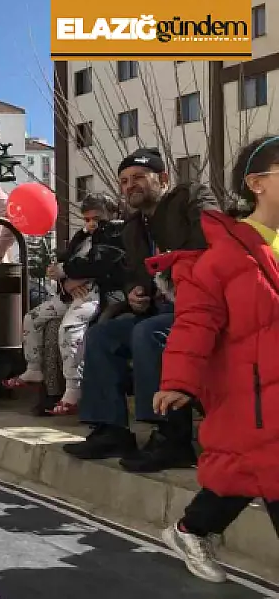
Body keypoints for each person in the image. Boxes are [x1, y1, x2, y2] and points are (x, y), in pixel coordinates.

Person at [151, 136, 279, 583]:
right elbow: (194, 322)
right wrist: (177, 381)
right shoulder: (224, 254)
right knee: (263, 472)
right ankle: (191, 530)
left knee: (243, 478)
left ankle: (190, 530)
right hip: (253, 398)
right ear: (257, 183)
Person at [63, 148, 218, 474]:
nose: (129, 186)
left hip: (202, 309)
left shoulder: (189, 198)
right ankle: (111, 430)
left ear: (162, 179)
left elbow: (210, 243)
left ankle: (172, 439)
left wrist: (167, 261)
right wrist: (137, 292)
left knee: (146, 333)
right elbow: (136, 273)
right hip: (162, 310)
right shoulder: (133, 227)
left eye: (137, 178)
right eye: (123, 181)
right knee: (102, 334)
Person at [3, 193, 127, 415]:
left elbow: (100, 264)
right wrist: (63, 276)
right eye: (87, 219)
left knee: (67, 330)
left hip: (97, 296)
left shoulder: (113, 234)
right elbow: (68, 259)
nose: (91, 224)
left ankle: (71, 389)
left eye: (96, 219)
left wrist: (69, 272)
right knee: (34, 319)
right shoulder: (83, 237)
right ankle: (36, 373)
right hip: (69, 295)